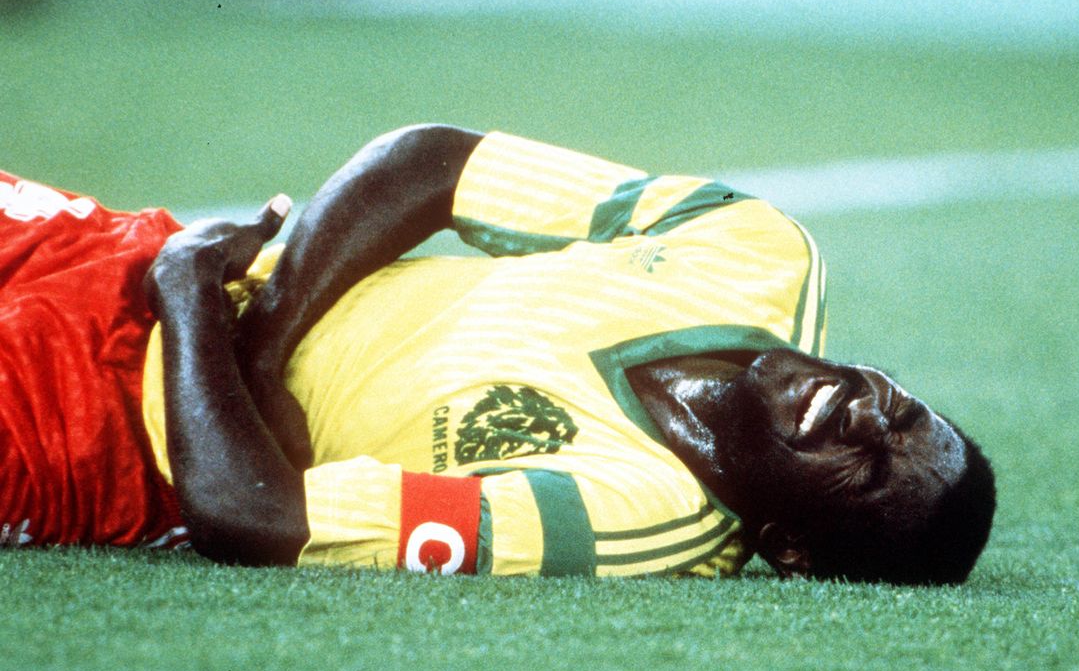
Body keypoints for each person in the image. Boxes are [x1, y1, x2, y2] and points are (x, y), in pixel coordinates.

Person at [1, 124, 995, 583]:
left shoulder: (629, 518)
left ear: (789, 548)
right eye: (904, 413)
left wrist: (191, 305)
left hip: (103, 437)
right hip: (145, 256)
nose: (868, 417)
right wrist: (256, 345)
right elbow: (436, 162)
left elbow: (249, 514)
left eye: (871, 469)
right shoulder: (759, 252)